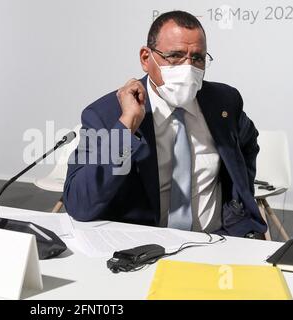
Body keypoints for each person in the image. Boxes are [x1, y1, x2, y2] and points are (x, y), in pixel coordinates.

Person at [63, 10, 267, 238]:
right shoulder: (105, 114)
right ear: (145, 58)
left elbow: (248, 144)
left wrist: (237, 205)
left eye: (197, 58)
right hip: (144, 248)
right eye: (175, 55)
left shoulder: (224, 102)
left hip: (218, 240)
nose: (188, 67)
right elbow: (79, 203)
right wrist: (126, 127)